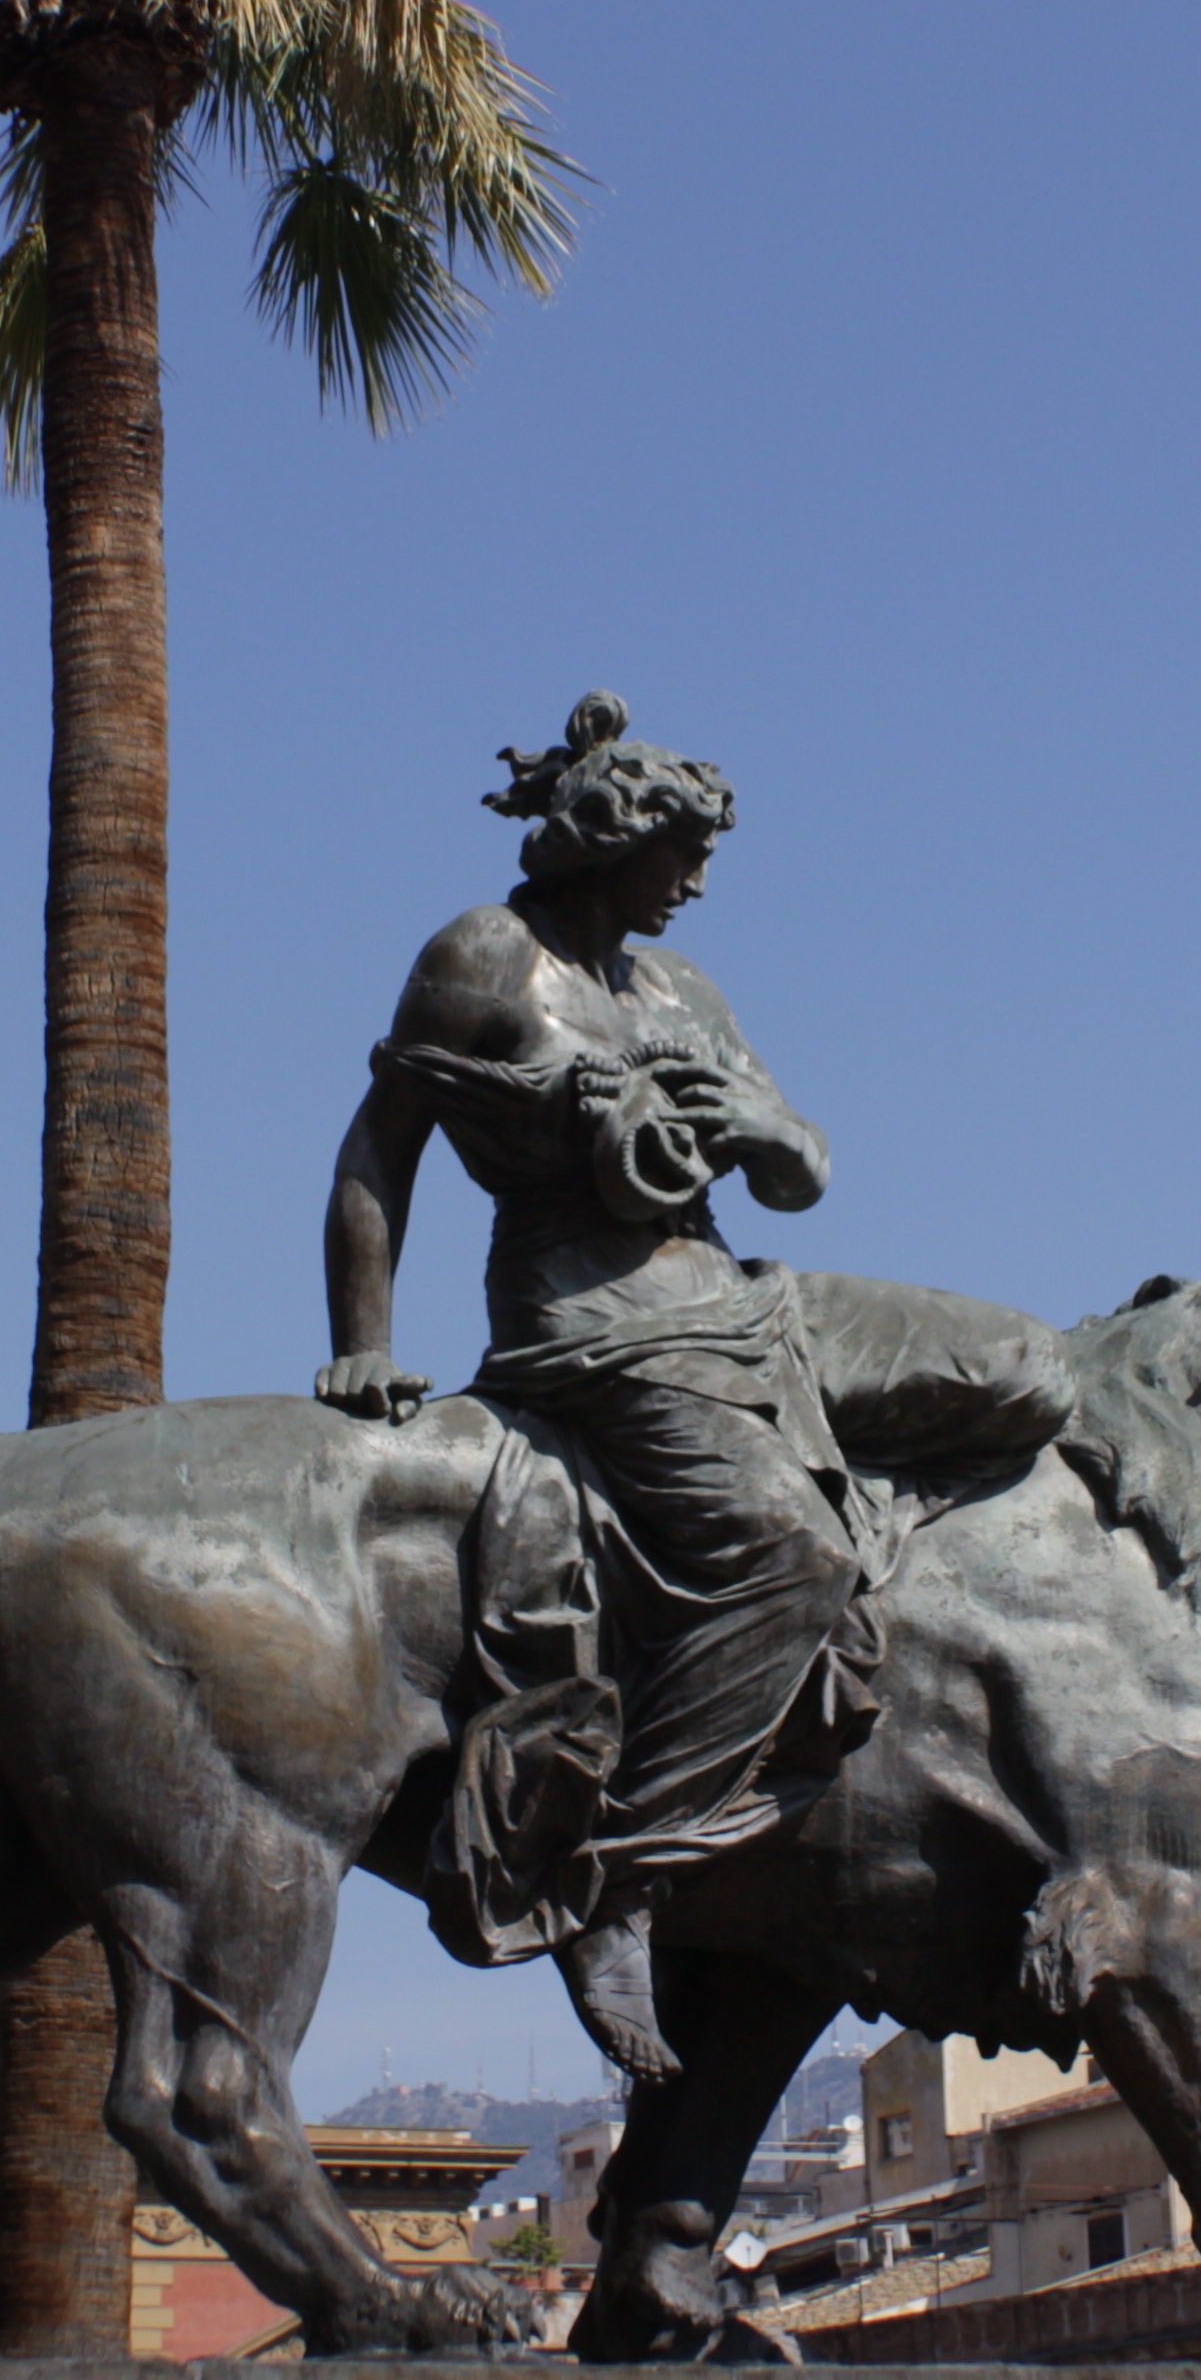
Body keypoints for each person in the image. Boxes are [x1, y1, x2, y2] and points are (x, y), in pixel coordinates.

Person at [319, 695, 1069, 2079]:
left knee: (1027, 1369)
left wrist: (768, 1128)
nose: (701, 881)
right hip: (589, 1314)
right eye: (684, 851)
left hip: (737, 1294)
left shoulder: (688, 994)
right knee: (790, 1559)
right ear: (616, 837)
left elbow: (802, 1172)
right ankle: (617, 1879)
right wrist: (361, 1339)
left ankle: (848, 1593)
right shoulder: (488, 958)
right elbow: (382, 1149)